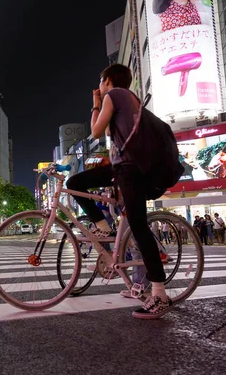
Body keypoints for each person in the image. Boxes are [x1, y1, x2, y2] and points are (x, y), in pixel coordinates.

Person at [66, 63, 172, 319]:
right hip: (121, 168)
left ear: (109, 80)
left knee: (138, 225)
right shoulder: (128, 99)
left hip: (131, 169)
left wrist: (95, 104)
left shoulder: (115, 95)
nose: (99, 86)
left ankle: (159, 294)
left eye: (101, 81)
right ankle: (103, 226)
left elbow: (95, 131)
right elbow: (106, 131)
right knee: (75, 183)